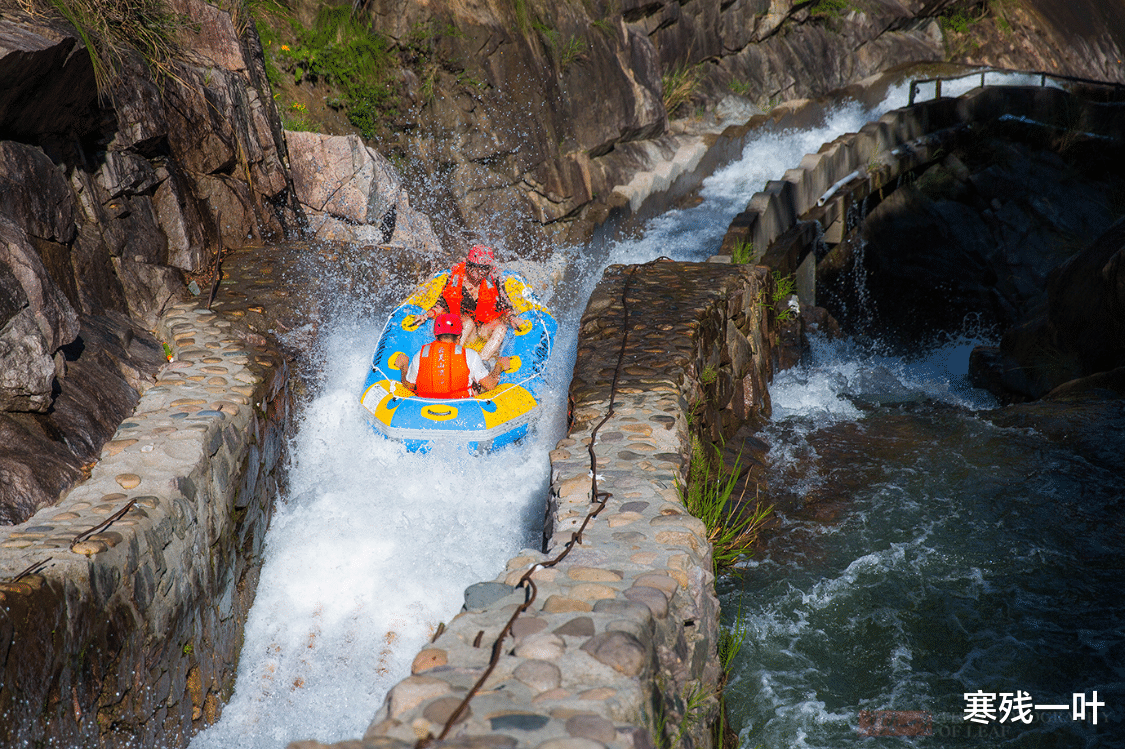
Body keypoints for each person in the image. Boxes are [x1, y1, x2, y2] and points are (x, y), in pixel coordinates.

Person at [410, 245, 515, 361]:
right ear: (467, 264)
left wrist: (513, 318)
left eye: (483, 268)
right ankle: (454, 358)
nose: (478, 273)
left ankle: (481, 362)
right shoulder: (456, 278)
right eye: (474, 267)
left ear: (489, 268)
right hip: (464, 328)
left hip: (485, 328)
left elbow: (505, 305)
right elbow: (442, 303)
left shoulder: (494, 279)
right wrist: (426, 315)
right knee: (469, 323)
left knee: (501, 329)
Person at [394, 313, 510, 398]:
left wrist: (404, 366)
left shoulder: (420, 354)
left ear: (436, 336)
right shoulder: (470, 355)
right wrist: (499, 366)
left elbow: (408, 386)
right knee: (483, 374)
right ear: (459, 336)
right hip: (461, 407)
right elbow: (490, 385)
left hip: (425, 405)